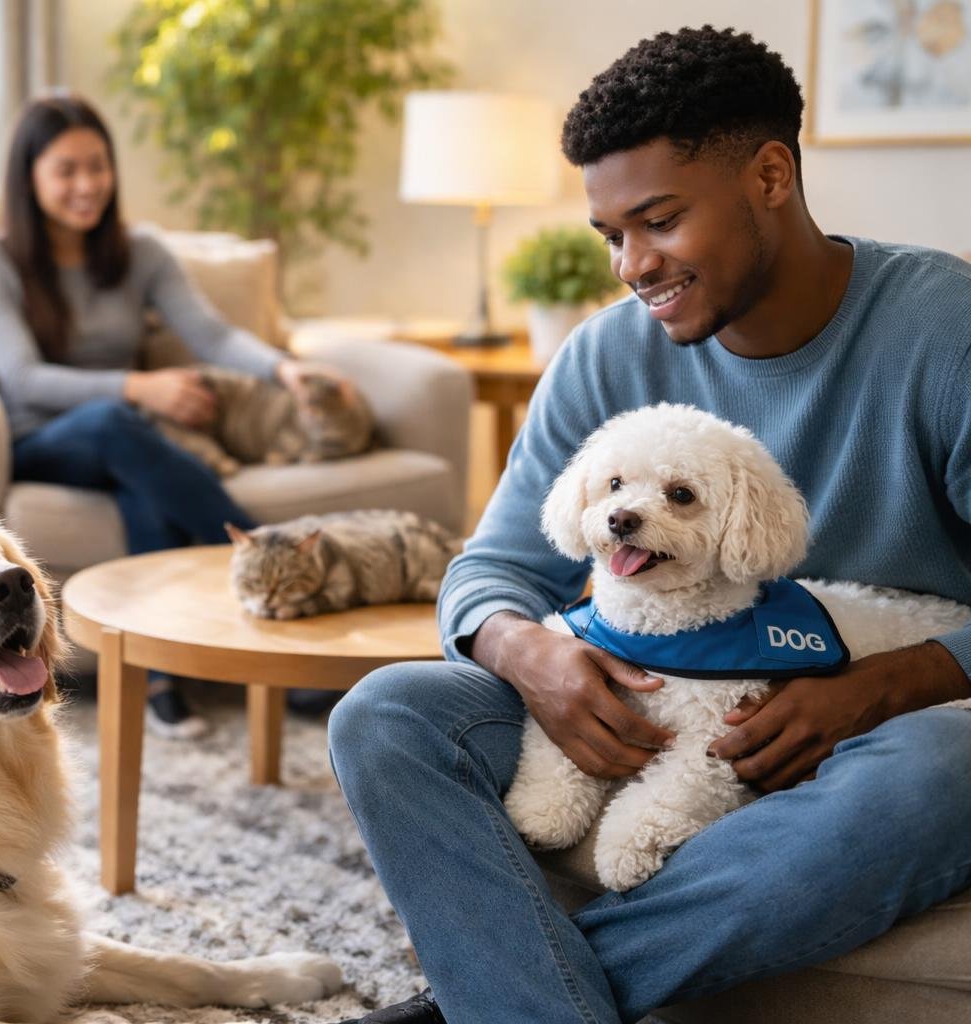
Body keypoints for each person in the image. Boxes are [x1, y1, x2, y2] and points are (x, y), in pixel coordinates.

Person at [329, 26, 971, 1024]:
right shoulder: (605, 358)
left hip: (886, 733)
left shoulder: (945, 331)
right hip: (659, 700)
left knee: (945, 769)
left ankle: (485, 1003)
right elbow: (488, 569)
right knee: (385, 714)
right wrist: (527, 650)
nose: (633, 264)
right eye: (612, 235)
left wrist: (893, 684)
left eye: (659, 221)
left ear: (769, 176)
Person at [0, 94, 338, 738]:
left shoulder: (141, 253)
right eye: (67, 170)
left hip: (124, 441)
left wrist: (283, 368)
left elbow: (212, 335)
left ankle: (161, 686)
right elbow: (24, 377)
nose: (87, 185)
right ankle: (268, 554)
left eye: (97, 167)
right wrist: (141, 387)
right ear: (30, 177)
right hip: (41, 437)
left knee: (141, 478)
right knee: (115, 423)